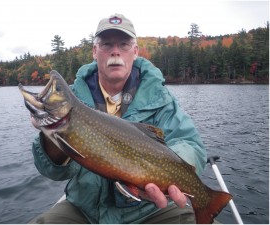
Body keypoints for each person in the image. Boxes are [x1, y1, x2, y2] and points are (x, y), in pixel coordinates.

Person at [29, 13, 207, 224]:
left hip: (151, 210)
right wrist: (54, 135)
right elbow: (51, 171)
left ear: (135, 51)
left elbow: (190, 144)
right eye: (106, 44)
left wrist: (164, 175)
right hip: (84, 210)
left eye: (123, 44)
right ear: (95, 51)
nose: (115, 51)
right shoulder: (72, 99)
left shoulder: (161, 99)